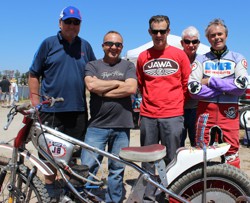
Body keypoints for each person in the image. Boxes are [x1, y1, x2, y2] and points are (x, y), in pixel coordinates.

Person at [28, 5, 96, 200]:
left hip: (77, 111)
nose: (72, 26)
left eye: (76, 22)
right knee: (49, 156)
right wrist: (35, 101)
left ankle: (69, 193)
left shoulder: (85, 47)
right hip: (51, 112)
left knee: (73, 156)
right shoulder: (48, 44)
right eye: (68, 22)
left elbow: (93, 75)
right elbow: (34, 73)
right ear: (60, 23)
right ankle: (50, 192)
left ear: (80, 25)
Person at [136, 15, 191, 202]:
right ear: (149, 32)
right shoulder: (143, 56)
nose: (158, 34)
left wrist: (174, 104)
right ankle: (149, 197)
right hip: (148, 116)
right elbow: (141, 85)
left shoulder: (179, 54)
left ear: (168, 31)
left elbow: (186, 84)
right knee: (149, 160)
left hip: (173, 115)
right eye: (155, 31)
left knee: (172, 159)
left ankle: (171, 195)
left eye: (162, 31)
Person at [81, 30, 137, 203]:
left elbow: (130, 89)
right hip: (97, 126)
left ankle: (113, 200)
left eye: (118, 44)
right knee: (87, 167)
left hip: (122, 126)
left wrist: (103, 90)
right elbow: (91, 85)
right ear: (103, 45)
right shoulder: (93, 65)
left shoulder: (128, 66)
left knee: (117, 169)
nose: (114, 47)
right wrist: (117, 83)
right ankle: (85, 198)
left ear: (122, 47)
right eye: (110, 44)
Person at [188, 18, 248, 169]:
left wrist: (210, 81)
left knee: (231, 154)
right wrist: (228, 86)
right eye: (212, 35)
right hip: (205, 113)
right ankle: (203, 190)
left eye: (219, 34)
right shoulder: (200, 60)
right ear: (208, 39)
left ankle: (232, 191)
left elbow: (241, 86)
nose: (217, 38)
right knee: (202, 154)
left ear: (226, 35)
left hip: (229, 113)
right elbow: (193, 89)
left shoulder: (238, 58)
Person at [180, 26, 200, 147]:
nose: (191, 44)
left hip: (197, 109)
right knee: (177, 145)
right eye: (187, 41)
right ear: (182, 43)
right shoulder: (176, 58)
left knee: (197, 144)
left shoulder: (203, 60)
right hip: (178, 109)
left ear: (198, 43)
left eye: (194, 41)